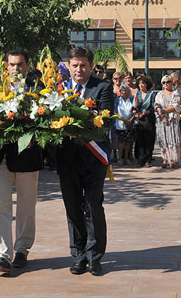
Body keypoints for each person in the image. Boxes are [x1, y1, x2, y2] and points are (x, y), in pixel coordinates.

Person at [56, 47, 114, 276]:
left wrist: (77, 122)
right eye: (75, 65)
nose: (79, 69)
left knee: (92, 206)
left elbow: (105, 120)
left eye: (83, 65)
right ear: (68, 66)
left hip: (93, 158)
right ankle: (78, 255)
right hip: (66, 159)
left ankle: (95, 256)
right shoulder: (58, 89)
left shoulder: (103, 87)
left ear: (91, 66)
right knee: (72, 209)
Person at [0, 49, 44, 273]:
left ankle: (22, 249)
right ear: (5, 66)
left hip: (27, 155)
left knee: (26, 206)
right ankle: (1, 253)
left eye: (20, 64)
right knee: (0, 204)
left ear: (27, 67)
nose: (16, 69)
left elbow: (44, 121)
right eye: (11, 64)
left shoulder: (37, 91)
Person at [155, 75, 181, 168]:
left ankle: (172, 159)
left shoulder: (175, 93)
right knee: (163, 140)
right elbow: (157, 105)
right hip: (161, 120)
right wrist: (162, 115)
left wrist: (164, 111)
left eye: (168, 82)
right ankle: (164, 159)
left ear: (171, 83)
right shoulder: (159, 94)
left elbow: (175, 106)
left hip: (172, 120)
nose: (166, 84)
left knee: (172, 140)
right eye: (164, 82)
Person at [132, 76, 157, 167]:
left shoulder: (152, 94)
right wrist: (135, 113)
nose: (141, 85)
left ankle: (148, 159)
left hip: (148, 119)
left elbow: (153, 106)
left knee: (149, 140)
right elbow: (133, 106)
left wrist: (145, 113)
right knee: (140, 140)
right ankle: (141, 159)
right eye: (139, 83)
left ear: (147, 84)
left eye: (142, 83)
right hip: (139, 120)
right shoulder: (136, 95)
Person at [114, 84, 135, 165]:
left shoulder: (131, 100)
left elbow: (134, 110)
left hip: (130, 124)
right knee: (121, 142)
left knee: (128, 142)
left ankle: (126, 158)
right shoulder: (117, 100)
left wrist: (130, 120)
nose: (122, 92)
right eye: (121, 90)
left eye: (124, 90)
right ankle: (120, 158)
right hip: (120, 124)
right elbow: (115, 111)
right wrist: (123, 119)